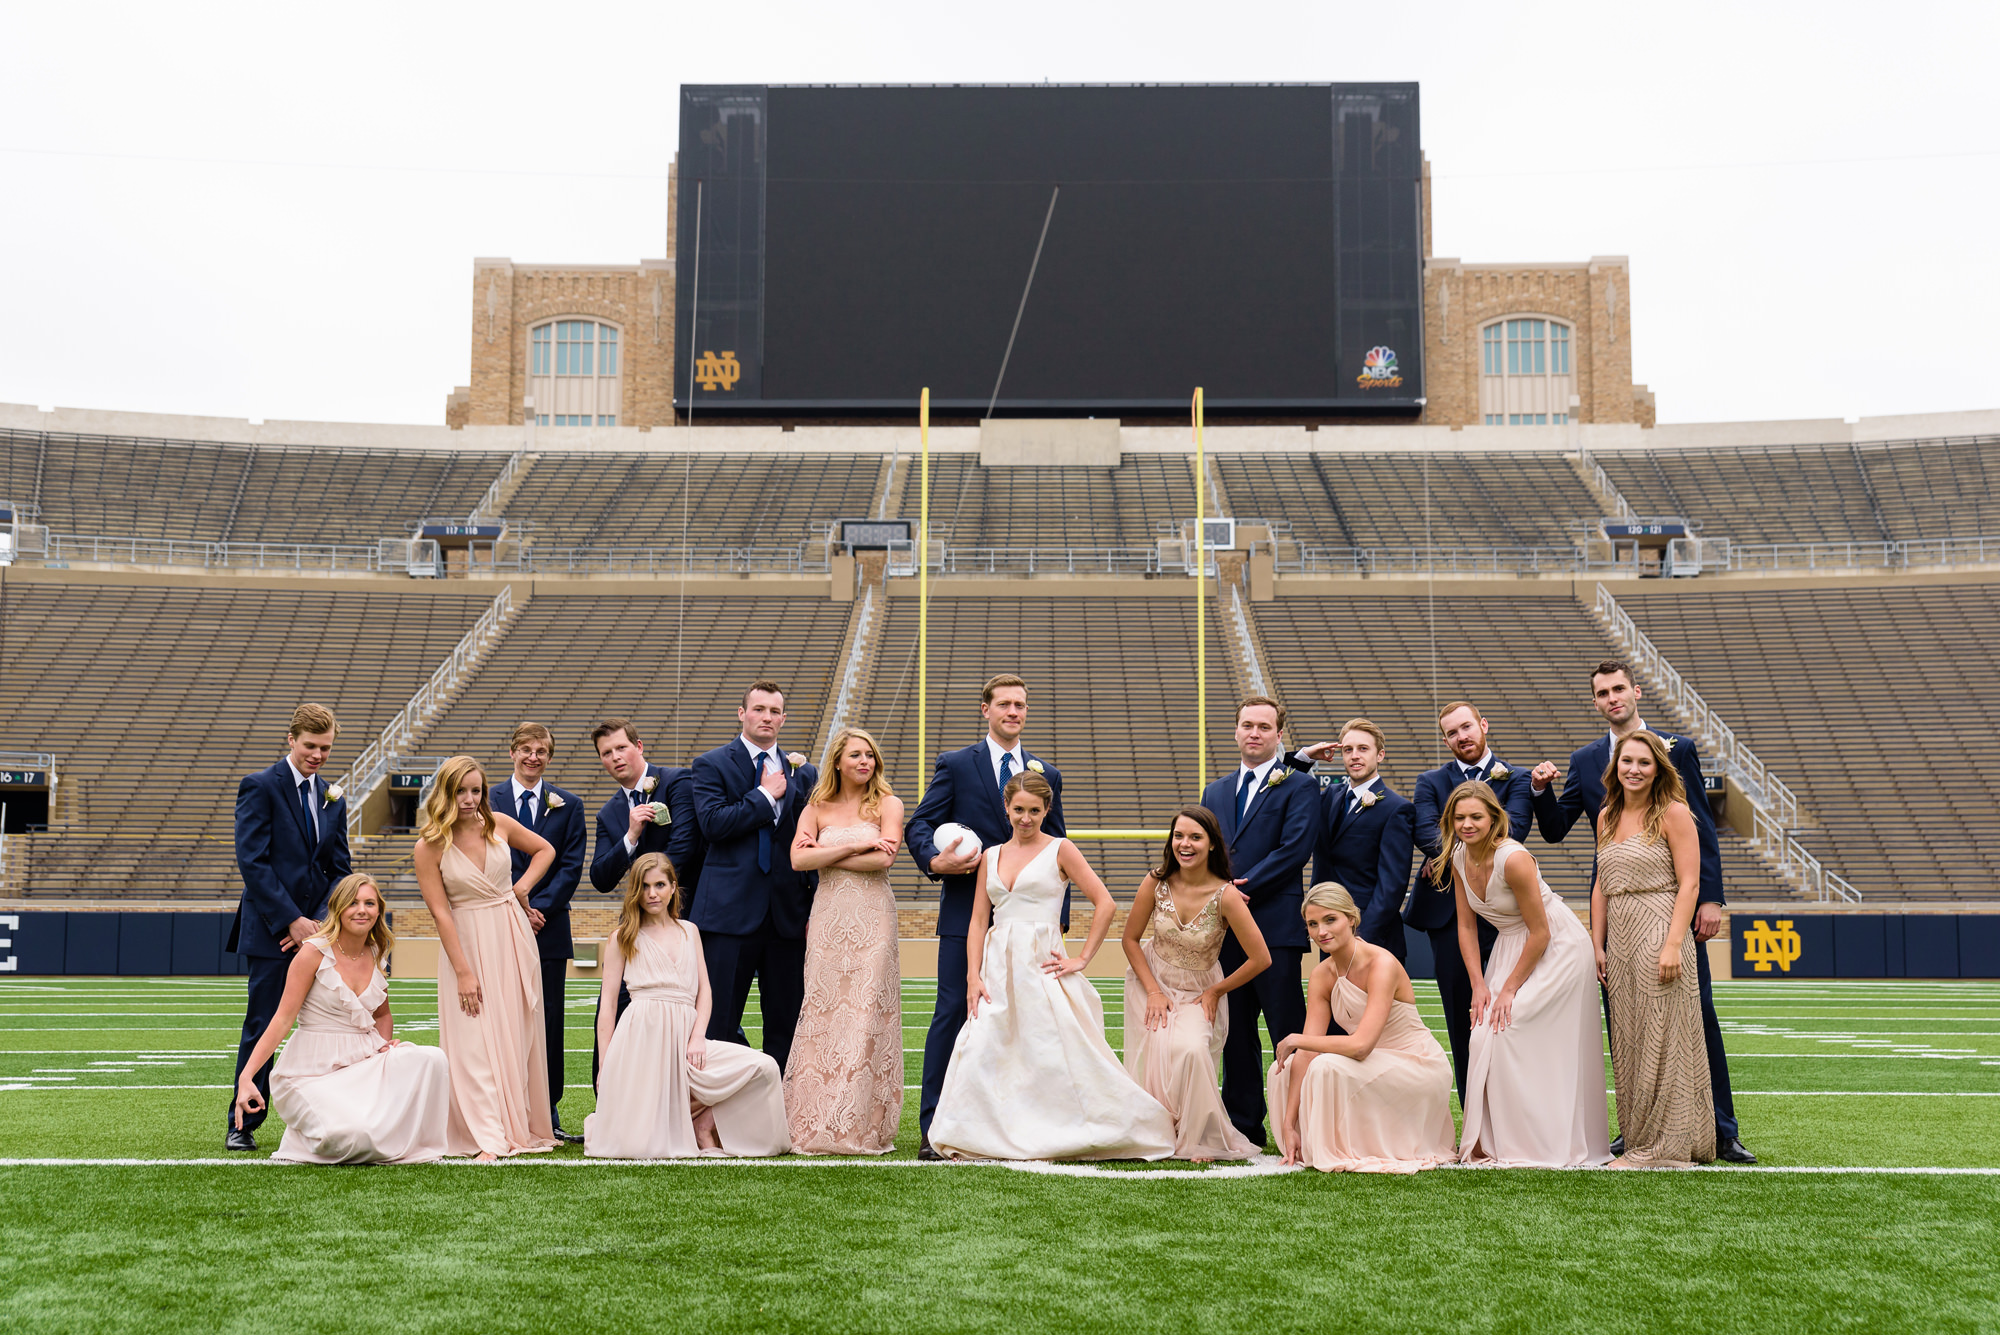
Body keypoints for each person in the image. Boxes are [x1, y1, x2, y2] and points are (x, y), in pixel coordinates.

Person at [1529, 658, 1754, 1164]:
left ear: (1635, 692)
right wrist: (1540, 792)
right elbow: (1559, 828)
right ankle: (1638, 1125)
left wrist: (1711, 899)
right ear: (1595, 702)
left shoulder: (1678, 749)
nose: (1612, 698)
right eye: (1602, 693)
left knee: (1696, 1016)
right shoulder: (1587, 761)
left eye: (1618, 689)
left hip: (1666, 904)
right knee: (1626, 1024)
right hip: (1616, 904)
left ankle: (1719, 1127)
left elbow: (1699, 830)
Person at [930, 772, 1174, 1161]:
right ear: (1006, 808)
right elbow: (978, 921)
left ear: (1047, 810)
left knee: (1050, 1053)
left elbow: (1105, 903)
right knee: (983, 1047)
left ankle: (1074, 1130)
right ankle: (977, 1136)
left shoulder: (1061, 849)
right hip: (997, 966)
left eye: (1034, 811)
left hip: (1042, 964)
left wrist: (1082, 957)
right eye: (1018, 810)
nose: (1025, 818)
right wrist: (972, 976)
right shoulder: (990, 856)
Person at [906, 673, 1066, 1161]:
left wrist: (1055, 926)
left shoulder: (1047, 774)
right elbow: (920, 823)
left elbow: (1058, 846)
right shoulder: (956, 764)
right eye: (1004, 704)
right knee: (953, 1013)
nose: (1013, 712)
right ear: (986, 710)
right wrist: (937, 862)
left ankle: (1018, 1125)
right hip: (965, 913)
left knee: (1028, 1024)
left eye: (1020, 704)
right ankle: (935, 1129)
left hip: (1028, 922)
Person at [1443, 781, 1610, 1168]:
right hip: (1509, 947)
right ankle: (1499, 1142)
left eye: (1475, 817)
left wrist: (1508, 991)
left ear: (1494, 819)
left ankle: (1544, 1142)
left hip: (1557, 950)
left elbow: (1541, 932)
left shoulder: (1514, 858)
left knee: (1509, 1030)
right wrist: (1480, 985)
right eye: (1459, 817)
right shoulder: (1456, 856)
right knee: (1485, 1033)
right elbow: (1466, 927)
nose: (1467, 825)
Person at [230, 874, 451, 1165]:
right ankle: (309, 1132)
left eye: (370, 903)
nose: (362, 910)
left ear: (379, 910)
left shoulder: (376, 952)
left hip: (364, 1062)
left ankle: (379, 1126)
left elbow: (382, 1014)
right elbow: (282, 1020)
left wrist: (384, 1046)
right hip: (312, 1071)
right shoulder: (312, 952)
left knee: (433, 1059)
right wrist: (247, 1077)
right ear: (338, 909)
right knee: (354, 1137)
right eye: (353, 903)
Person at [585, 854, 790, 1158]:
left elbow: (704, 991)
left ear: (672, 888)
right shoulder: (622, 937)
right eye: (643, 886)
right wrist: (605, 1065)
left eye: (659, 885)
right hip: (641, 1042)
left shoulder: (689, 931)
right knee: (640, 1146)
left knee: (764, 1067)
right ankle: (688, 1128)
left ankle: (703, 1125)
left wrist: (697, 1038)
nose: (651, 893)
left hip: (686, 1039)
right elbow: (608, 1008)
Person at [414, 754, 559, 1161]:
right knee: (473, 1041)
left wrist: (519, 889)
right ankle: (487, 1135)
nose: (469, 798)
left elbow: (545, 850)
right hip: (466, 944)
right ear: (444, 792)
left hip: (511, 936)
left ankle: (517, 1126)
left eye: (476, 790)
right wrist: (463, 971)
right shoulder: (428, 846)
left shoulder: (498, 826)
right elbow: (441, 913)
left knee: (515, 1033)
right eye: (460, 791)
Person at [225, 703, 352, 1151]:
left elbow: (340, 868)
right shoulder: (260, 786)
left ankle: (331, 1121)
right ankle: (242, 1123)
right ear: (291, 739)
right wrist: (291, 920)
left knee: (331, 1025)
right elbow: (252, 862)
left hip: (320, 930)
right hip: (272, 929)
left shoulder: (334, 796)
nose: (318, 755)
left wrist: (320, 921)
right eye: (311, 746)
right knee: (262, 1025)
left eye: (326, 748)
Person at [1197, 694, 1319, 1149]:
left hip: (1273, 924)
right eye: (1247, 725)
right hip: (1225, 931)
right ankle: (1245, 1126)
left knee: (1288, 1026)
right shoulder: (1215, 790)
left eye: (1264, 727)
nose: (1254, 733)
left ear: (1279, 735)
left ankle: (1304, 1124)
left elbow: (1295, 849)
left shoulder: (1300, 786)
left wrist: (1239, 890)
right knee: (1235, 1032)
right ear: (1236, 731)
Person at [1267, 883, 1456, 1174]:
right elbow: (1306, 1052)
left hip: (1416, 1064)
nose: (1321, 932)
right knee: (1283, 1069)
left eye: (1330, 920)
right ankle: (1302, 1142)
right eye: (1313, 924)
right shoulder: (1322, 974)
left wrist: (1296, 1038)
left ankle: (1342, 1147)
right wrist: (1288, 1123)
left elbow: (1360, 1046)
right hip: (1373, 1062)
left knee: (1325, 1066)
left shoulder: (1381, 963)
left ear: (1351, 920)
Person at [1592, 731, 1716, 1168]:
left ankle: (1664, 1149)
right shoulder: (1607, 815)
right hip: (1620, 937)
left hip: (1660, 926)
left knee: (1666, 1039)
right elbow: (1600, 885)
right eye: (1627, 761)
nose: (1634, 770)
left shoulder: (1674, 812)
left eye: (1644, 762)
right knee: (1629, 1038)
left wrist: (1673, 944)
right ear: (1616, 766)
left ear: (1658, 768)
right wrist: (1597, 942)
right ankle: (1648, 1137)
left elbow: (1690, 883)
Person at [1120, 806, 1269, 1162]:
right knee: (1157, 1049)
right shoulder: (1155, 882)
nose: (1184, 844)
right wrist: (1153, 990)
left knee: (1191, 1050)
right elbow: (1129, 939)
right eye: (1178, 836)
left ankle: (1199, 1136)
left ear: (1213, 844)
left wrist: (1216, 991)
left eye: (1195, 837)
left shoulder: (1226, 896)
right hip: (1151, 983)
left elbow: (1261, 958)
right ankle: (1160, 1129)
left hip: (1198, 991)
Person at [783, 727, 905, 1154]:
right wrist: (856, 847)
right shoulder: (815, 807)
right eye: (855, 755)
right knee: (823, 1010)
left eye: (869, 755)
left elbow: (884, 859)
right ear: (838, 760)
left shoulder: (888, 804)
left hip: (873, 919)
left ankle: (860, 1124)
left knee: (867, 1015)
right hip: (829, 916)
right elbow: (799, 859)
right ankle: (815, 1119)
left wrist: (829, 852)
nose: (864, 762)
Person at [1410, 700, 1536, 1105]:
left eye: (1466, 727)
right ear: (1445, 739)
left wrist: (1449, 856)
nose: (1460, 736)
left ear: (1482, 725)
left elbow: (1513, 827)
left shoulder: (1516, 778)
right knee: (1462, 1016)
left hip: (1506, 914)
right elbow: (1426, 831)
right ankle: (1474, 1114)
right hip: (1450, 914)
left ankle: (1514, 1110)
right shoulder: (1430, 780)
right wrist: (1455, 856)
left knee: (1513, 1015)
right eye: (1451, 732)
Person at [690, 680, 820, 1071]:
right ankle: (716, 1120)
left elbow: (809, 843)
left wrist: (814, 905)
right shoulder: (711, 763)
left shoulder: (805, 771)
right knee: (720, 1021)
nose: (767, 717)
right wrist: (764, 797)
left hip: (787, 915)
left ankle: (779, 1115)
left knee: (786, 1022)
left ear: (784, 718)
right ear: (742, 713)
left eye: (774, 711)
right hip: (729, 915)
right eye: (759, 709)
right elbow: (712, 825)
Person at [589, 718, 708, 1072]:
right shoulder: (610, 814)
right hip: (636, 927)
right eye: (606, 753)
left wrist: (651, 884)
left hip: (684, 919)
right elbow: (599, 877)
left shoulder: (676, 781)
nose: (615, 757)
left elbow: (685, 847)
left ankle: (708, 1107)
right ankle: (607, 1096)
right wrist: (630, 836)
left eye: (621, 748)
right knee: (611, 1004)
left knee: (697, 1007)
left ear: (638, 747)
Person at [498, 722, 587, 1142]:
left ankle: (548, 1112)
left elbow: (570, 867)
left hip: (547, 928)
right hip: (497, 925)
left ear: (550, 757)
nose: (534, 757)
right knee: (502, 1016)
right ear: (512, 752)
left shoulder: (569, 804)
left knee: (549, 1018)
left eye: (542, 751)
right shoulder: (487, 800)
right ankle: (502, 1108)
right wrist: (516, 907)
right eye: (527, 750)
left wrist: (539, 909)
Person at [1299, 718, 1414, 960]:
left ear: (1380, 755)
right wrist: (1306, 757)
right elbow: (1284, 791)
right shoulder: (1327, 796)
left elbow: (1391, 885)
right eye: (1348, 750)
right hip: (1328, 931)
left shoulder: (1397, 808)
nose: (1354, 756)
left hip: (1371, 938)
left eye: (1363, 749)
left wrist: (1359, 937)